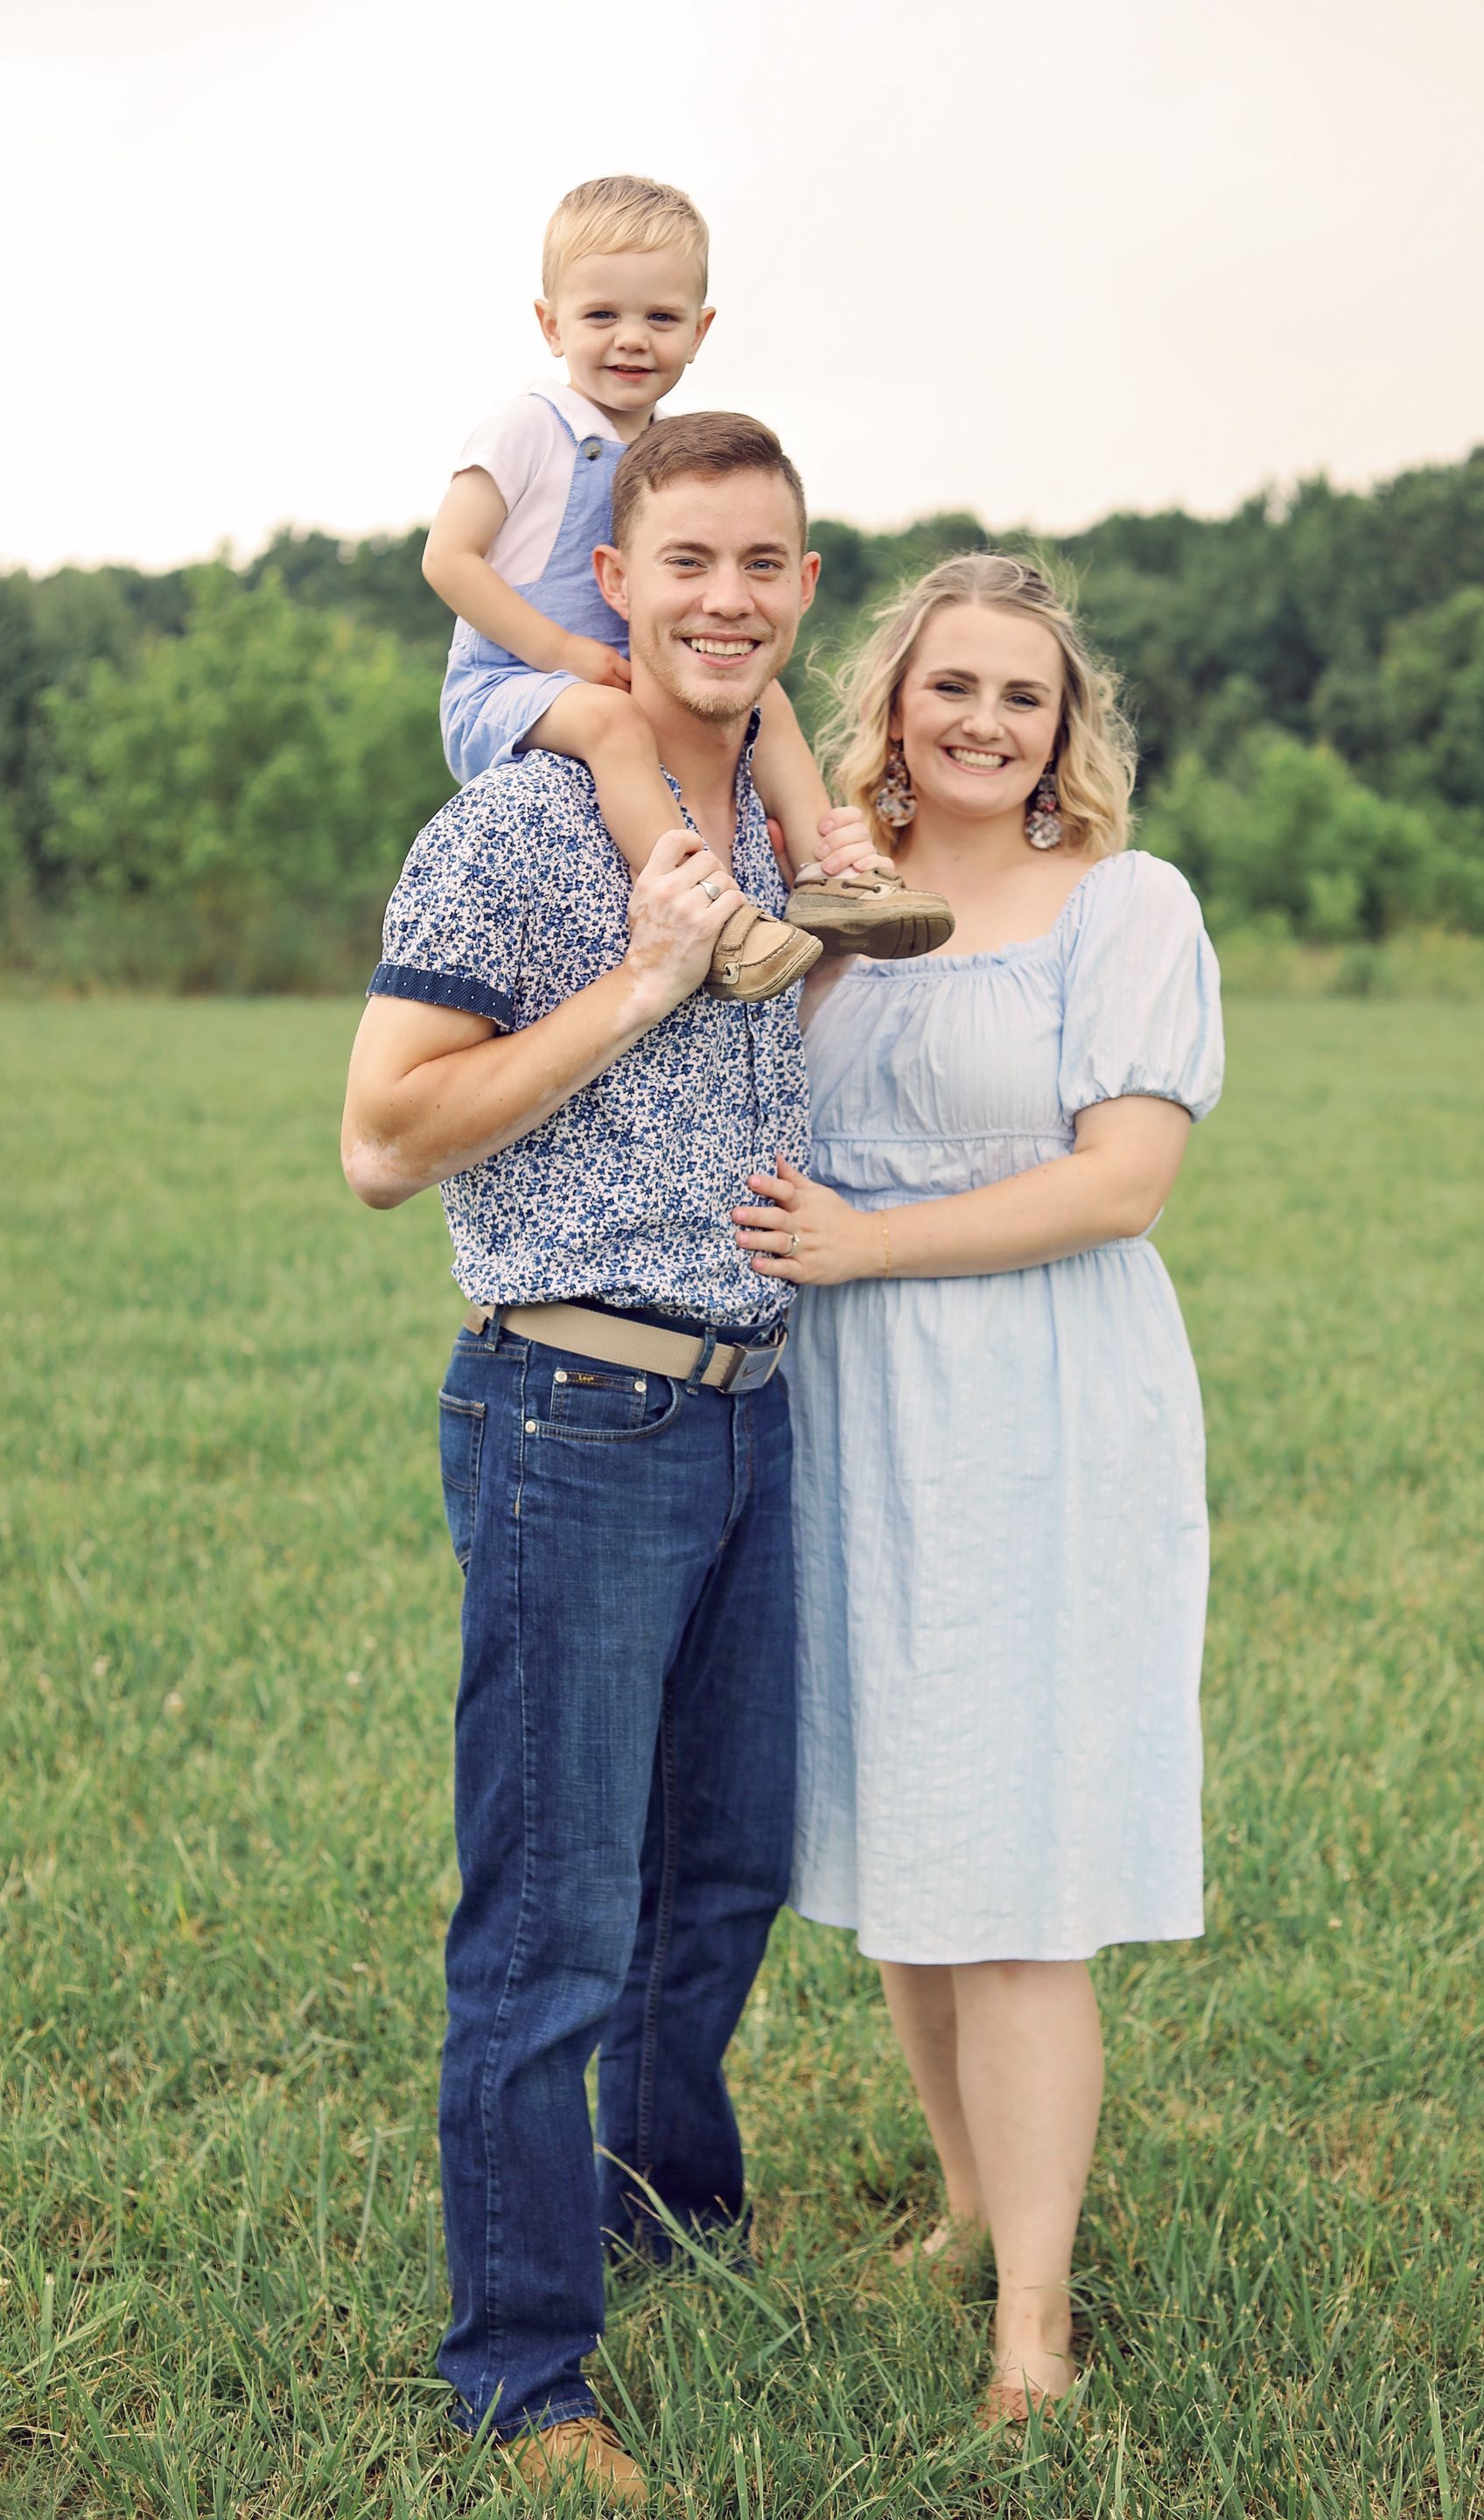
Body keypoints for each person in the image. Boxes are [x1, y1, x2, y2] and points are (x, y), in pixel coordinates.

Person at [341, 412, 878, 2508]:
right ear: (619, 585)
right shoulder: (519, 825)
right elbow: (385, 1142)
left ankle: (671, 2223)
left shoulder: (785, 834)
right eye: (689, 565)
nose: (727, 598)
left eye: (766, 564)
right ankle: (526, 2371)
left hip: (756, 1411)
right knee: (553, 1923)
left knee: (720, 1878)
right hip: (575, 1416)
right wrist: (647, 981)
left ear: (800, 590)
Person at [730, 554, 1224, 2423]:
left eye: (1025, 696)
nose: (985, 720)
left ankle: (1036, 2324)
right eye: (952, 685)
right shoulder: (839, 894)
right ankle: (957, 2201)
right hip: (852, 1413)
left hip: (1037, 1404)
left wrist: (870, 1246)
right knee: (909, 1840)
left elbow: (1122, 1183)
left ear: (1063, 729)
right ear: (898, 700)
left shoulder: (1126, 904)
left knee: (1015, 1871)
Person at [422, 172, 951, 1002]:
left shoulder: (664, 452)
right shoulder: (529, 424)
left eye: (660, 318)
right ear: (549, 323)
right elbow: (447, 560)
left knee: (763, 697)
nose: (632, 339)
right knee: (612, 721)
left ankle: (829, 874)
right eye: (602, 316)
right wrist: (566, 654)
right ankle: (711, 918)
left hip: (606, 674)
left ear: (700, 331)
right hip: (508, 684)